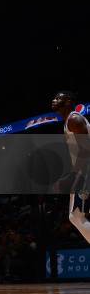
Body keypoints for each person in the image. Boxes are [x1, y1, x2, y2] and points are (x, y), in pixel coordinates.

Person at [51, 91, 90, 243]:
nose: (54, 100)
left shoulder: (74, 119)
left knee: (76, 216)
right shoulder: (70, 121)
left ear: (68, 101)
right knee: (78, 216)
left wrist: (73, 175)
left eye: (58, 98)